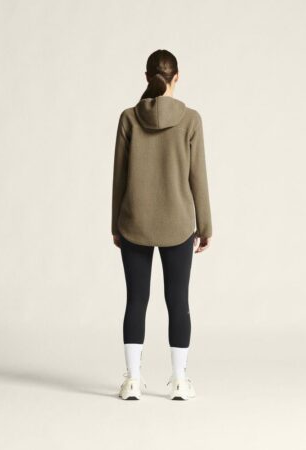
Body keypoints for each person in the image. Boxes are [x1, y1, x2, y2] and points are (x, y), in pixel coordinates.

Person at [111, 49, 212, 400]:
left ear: (147, 77)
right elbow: (198, 177)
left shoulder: (128, 118)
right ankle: (180, 381)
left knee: (136, 301)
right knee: (178, 302)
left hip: (134, 222)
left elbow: (119, 177)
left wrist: (116, 224)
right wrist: (205, 226)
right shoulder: (191, 120)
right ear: (177, 77)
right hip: (178, 224)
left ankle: (132, 381)